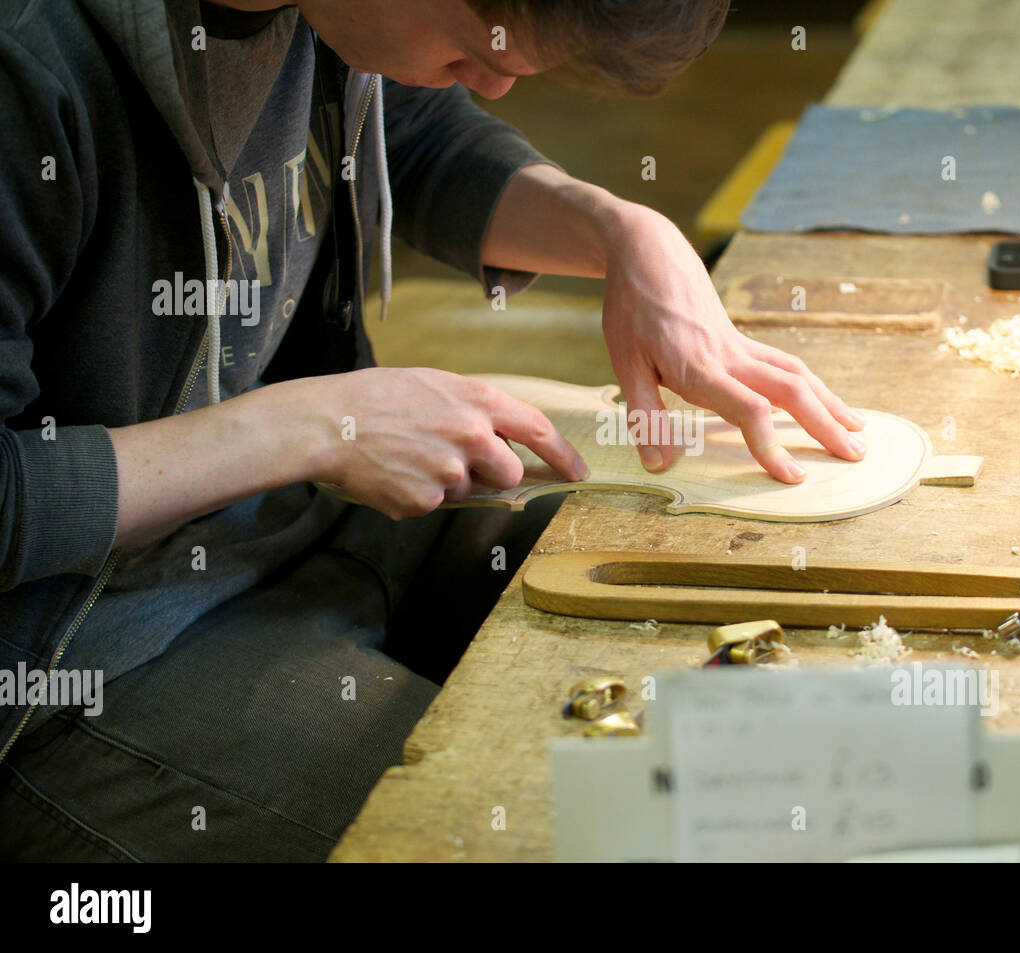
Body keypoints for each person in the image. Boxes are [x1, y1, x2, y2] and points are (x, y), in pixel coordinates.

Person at [0, 0, 865, 860]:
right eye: (475, 41)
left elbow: (408, 131)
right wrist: (310, 425)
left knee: (707, 588)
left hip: (291, 515)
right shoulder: (26, 65)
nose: (498, 80)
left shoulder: (331, 16)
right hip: (83, 650)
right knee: (533, 830)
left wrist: (623, 233)